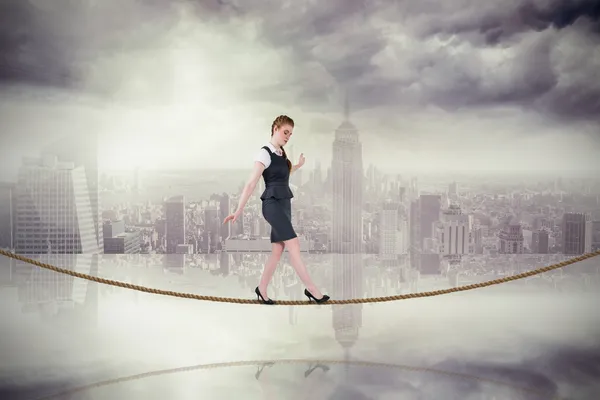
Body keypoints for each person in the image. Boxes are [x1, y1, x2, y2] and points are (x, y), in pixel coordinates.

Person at [223, 115, 330, 305]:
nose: (288, 136)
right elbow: (251, 184)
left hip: (284, 203)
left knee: (278, 250)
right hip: (271, 204)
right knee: (293, 243)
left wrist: (297, 165)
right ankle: (312, 290)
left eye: (290, 134)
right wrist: (238, 210)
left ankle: (261, 289)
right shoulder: (264, 153)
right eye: (285, 132)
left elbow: (283, 173)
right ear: (275, 129)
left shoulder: (281, 153)